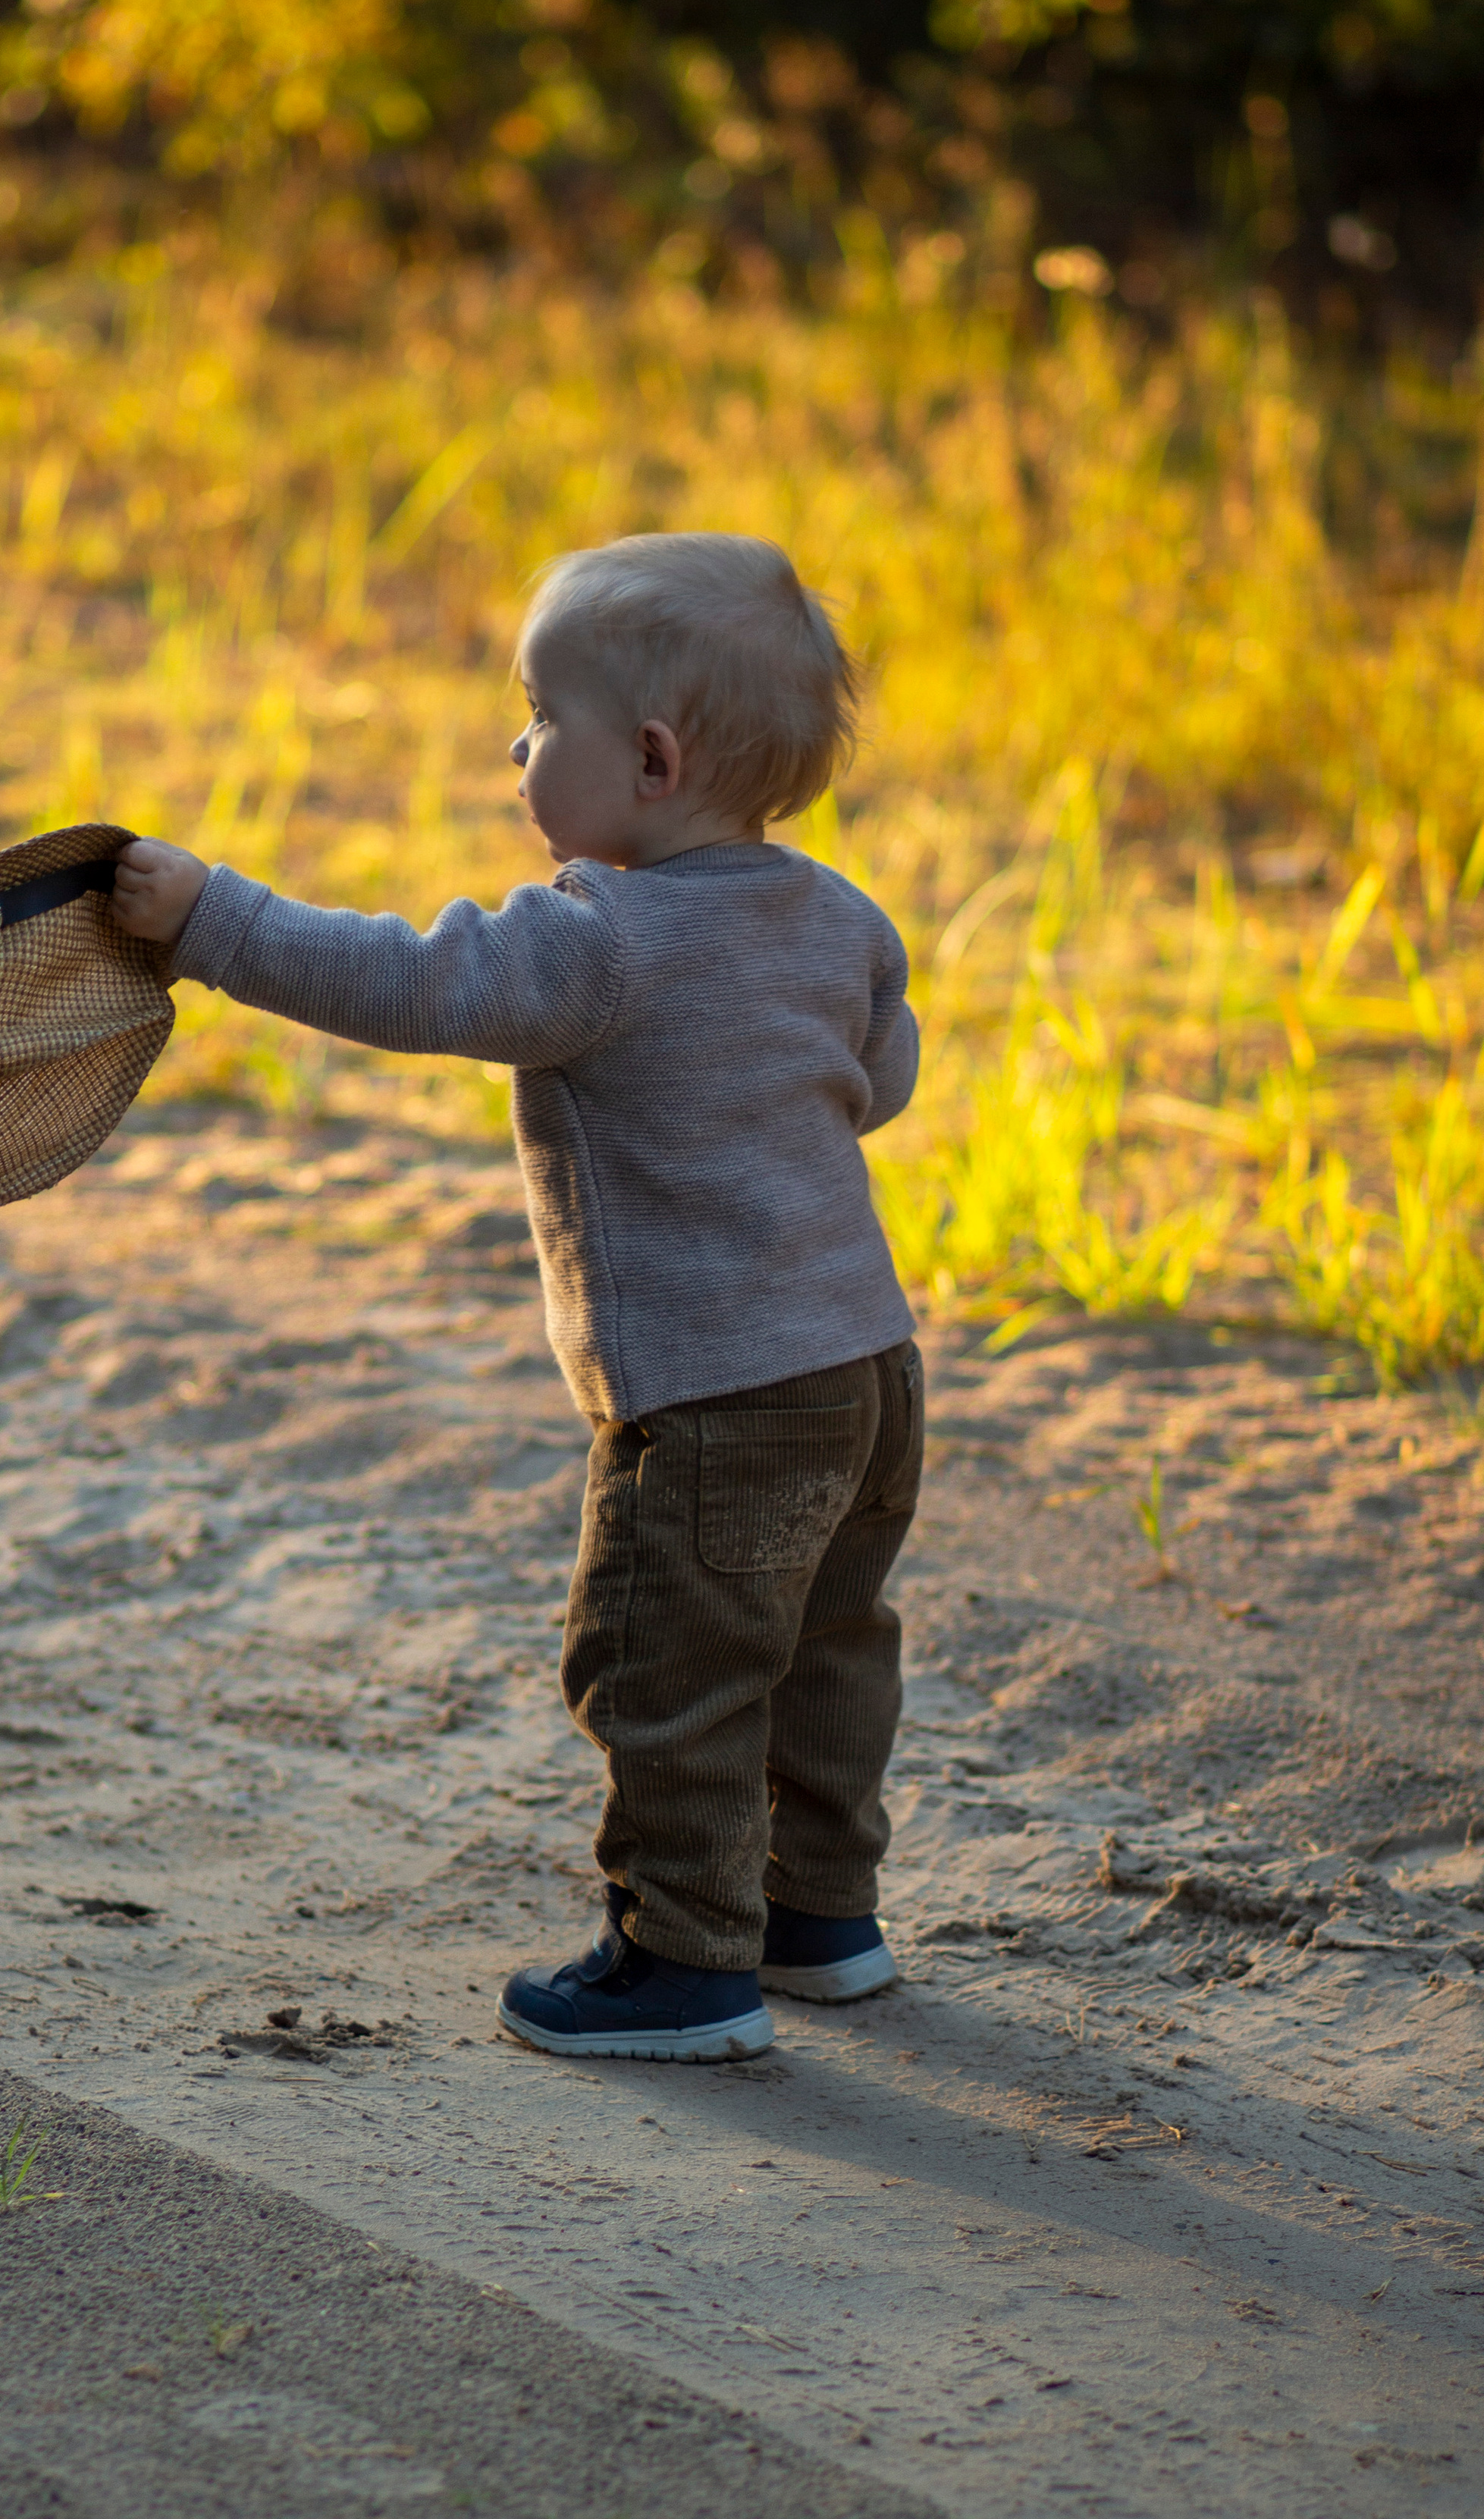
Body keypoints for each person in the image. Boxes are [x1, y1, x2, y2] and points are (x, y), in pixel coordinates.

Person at [112, 530, 923, 2062]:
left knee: (665, 1664)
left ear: (652, 758)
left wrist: (211, 920)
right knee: (826, 1641)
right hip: (865, 1371)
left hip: (714, 1394)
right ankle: (821, 1917)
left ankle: (682, 1960)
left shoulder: (592, 944)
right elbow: (874, 1082)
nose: (516, 743)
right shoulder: (834, 915)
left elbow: (402, 983)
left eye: (538, 718)